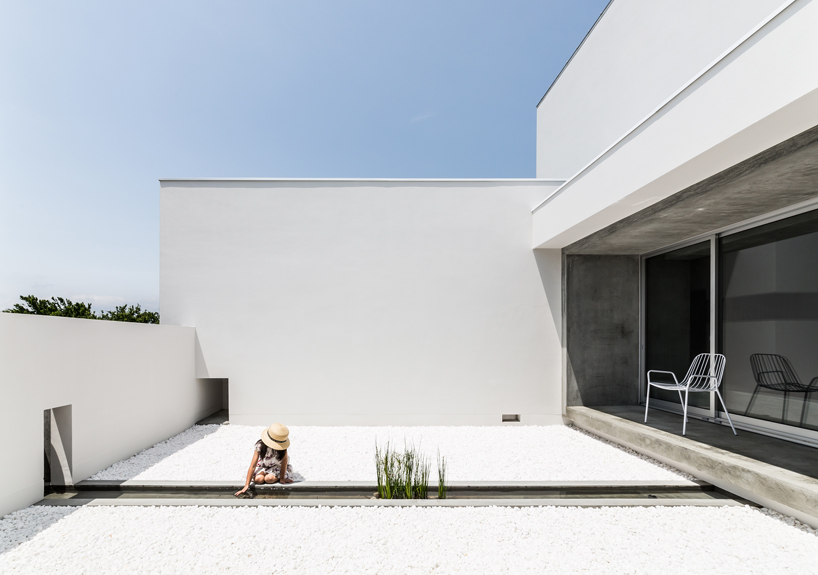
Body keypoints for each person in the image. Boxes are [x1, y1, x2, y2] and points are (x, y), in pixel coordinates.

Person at [235, 423, 294, 497]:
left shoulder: (282, 448)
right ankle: (266, 473)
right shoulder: (260, 446)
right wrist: (246, 485)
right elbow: (253, 465)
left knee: (269, 479)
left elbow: (284, 462)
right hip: (263, 466)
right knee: (258, 480)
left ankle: (270, 475)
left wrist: (282, 478)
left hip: (277, 466)